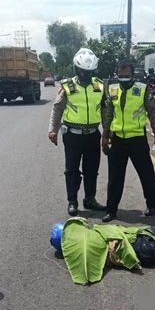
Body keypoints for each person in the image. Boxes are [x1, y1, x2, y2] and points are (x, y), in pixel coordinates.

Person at [101, 60, 155, 222]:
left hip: (137, 139)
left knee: (146, 174)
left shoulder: (142, 89)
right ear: (117, 75)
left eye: (126, 76)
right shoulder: (112, 89)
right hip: (118, 140)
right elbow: (108, 114)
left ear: (132, 75)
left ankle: (152, 206)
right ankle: (111, 210)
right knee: (115, 177)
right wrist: (105, 136)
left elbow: (152, 113)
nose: (124, 78)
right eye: (121, 76)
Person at [48, 48, 107, 216]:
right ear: (76, 69)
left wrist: (107, 133)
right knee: (72, 170)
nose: (86, 75)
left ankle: (90, 199)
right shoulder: (68, 86)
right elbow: (57, 109)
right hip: (72, 135)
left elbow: (105, 110)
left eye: (90, 72)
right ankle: (72, 201)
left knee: (91, 169)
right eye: (83, 72)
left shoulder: (99, 85)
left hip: (93, 134)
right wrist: (52, 129)